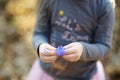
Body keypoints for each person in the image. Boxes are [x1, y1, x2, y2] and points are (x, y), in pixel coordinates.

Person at [27, 0, 115, 80]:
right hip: (47, 73)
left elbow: (104, 47)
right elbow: (39, 34)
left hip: (84, 76)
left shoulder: (104, 6)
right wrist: (41, 46)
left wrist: (83, 50)